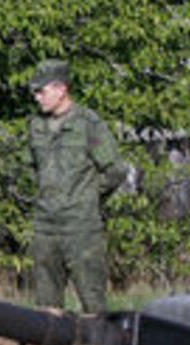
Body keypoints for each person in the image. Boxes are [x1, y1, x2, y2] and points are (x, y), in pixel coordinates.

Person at [27, 59, 128, 313]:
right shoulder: (36, 126)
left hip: (80, 227)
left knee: (93, 305)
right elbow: (30, 168)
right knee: (46, 308)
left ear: (61, 89)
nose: (37, 97)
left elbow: (115, 170)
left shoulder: (88, 123)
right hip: (45, 225)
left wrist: (88, 198)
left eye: (42, 91)